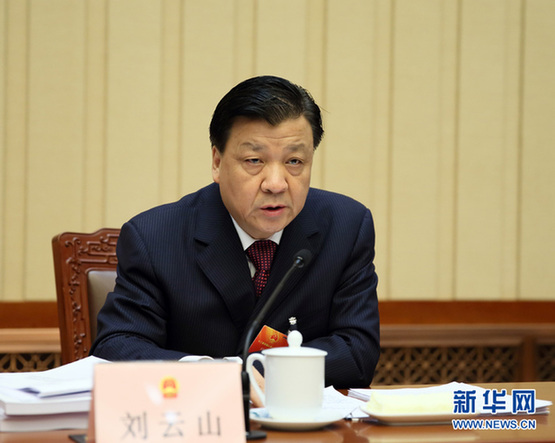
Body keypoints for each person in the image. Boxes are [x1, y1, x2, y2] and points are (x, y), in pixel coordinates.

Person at [91, 75, 380, 390]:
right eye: (254, 160)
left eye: (294, 161)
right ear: (217, 162)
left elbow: (358, 352)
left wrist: (262, 372)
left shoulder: (346, 227)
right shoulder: (155, 237)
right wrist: (213, 375)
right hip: (195, 413)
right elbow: (116, 347)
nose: (276, 184)